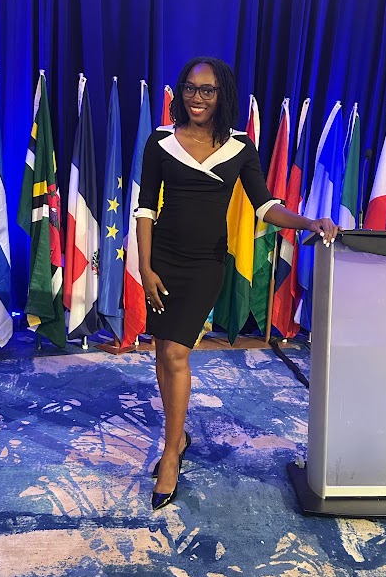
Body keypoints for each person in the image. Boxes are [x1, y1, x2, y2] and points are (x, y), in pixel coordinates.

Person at [135, 57, 339, 510]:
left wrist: (308, 221)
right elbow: (145, 208)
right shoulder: (160, 141)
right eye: (190, 88)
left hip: (205, 264)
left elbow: (265, 206)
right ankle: (178, 434)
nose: (197, 98)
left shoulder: (240, 147)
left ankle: (170, 455)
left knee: (176, 353)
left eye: (207, 90)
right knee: (162, 348)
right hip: (162, 261)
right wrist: (145, 269)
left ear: (221, 95)